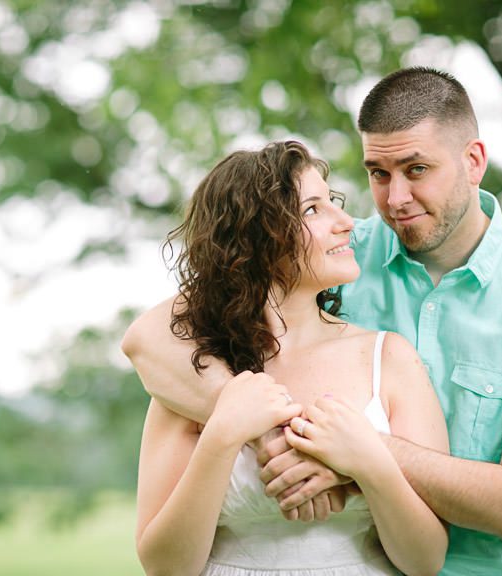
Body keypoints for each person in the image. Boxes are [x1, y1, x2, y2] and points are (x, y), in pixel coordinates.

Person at [123, 67, 502, 575]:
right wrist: (261, 433)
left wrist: (360, 454)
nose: (394, 199)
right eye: (379, 173)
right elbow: (151, 336)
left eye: (416, 169)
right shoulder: (333, 255)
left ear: (473, 162)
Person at [131, 140, 449, 576]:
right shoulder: (194, 370)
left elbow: (426, 561)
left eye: (332, 203)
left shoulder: (387, 357)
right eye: (314, 210)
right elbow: (164, 566)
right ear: (257, 238)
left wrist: (369, 463)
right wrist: (223, 435)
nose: (346, 222)